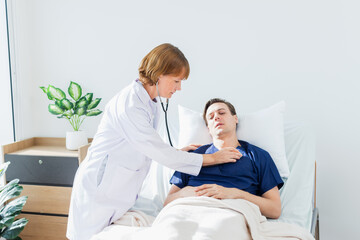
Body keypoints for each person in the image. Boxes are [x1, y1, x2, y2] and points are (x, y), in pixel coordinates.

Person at [66, 44, 242, 240]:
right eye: (176, 81)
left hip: (119, 194)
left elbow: (147, 145)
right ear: (159, 75)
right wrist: (211, 158)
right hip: (98, 191)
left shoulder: (152, 102)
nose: (179, 88)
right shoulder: (129, 104)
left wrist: (177, 152)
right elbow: (155, 149)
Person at [164, 98, 284, 219]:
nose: (216, 117)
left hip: (231, 215)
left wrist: (235, 194)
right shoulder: (192, 156)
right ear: (208, 129)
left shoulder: (257, 156)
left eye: (221, 113)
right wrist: (185, 193)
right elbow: (167, 203)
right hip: (188, 212)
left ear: (235, 119)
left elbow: (274, 210)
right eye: (210, 117)